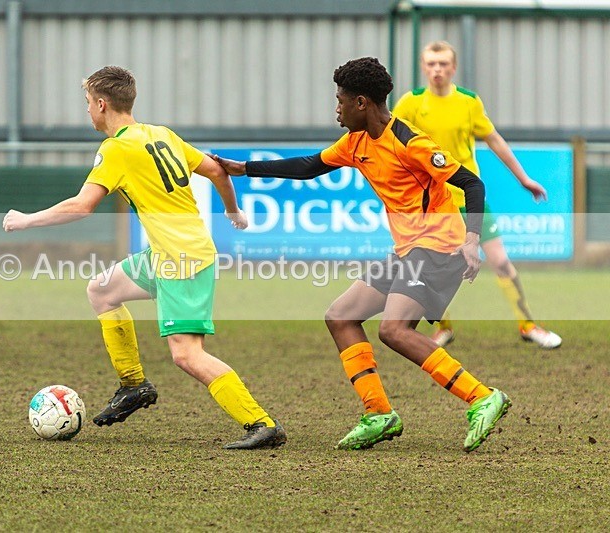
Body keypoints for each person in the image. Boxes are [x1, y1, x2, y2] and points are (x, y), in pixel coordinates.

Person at [214, 57, 510, 452]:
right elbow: (308, 167)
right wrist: (245, 169)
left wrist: (472, 240)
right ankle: (379, 414)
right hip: (408, 249)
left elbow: (472, 183)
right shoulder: (356, 143)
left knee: (394, 331)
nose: (335, 109)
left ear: (361, 103)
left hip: (439, 247)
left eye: (339, 101)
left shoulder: (410, 142)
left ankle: (482, 397)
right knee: (341, 316)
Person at [3, 66, 286, 450]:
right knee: (101, 290)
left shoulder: (117, 148)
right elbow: (217, 170)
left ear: (102, 104)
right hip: (167, 254)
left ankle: (261, 422)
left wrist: (25, 221)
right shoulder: (161, 134)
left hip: (182, 260)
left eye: (87, 103)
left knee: (187, 355)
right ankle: (134, 385)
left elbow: (82, 206)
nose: (87, 111)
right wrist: (232, 211)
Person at [393, 40, 561, 349]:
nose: (437, 70)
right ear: (423, 67)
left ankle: (528, 325)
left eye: (443, 64)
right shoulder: (410, 103)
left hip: (470, 199)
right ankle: (442, 328)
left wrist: (523, 178)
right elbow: (391, 144)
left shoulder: (469, 102)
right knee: (433, 272)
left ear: (453, 67)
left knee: (500, 262)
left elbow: (494, 139)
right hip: (433, 204)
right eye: (431, 64)